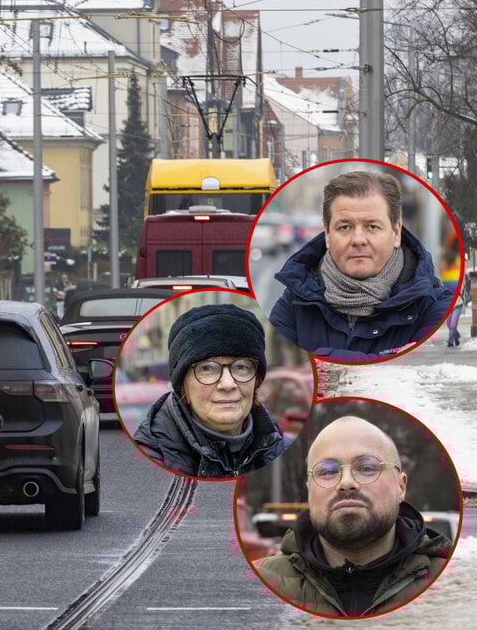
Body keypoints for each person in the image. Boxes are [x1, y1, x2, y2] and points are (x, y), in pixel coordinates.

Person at [254, 416, 452, 617]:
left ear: (400, 486)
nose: (346, 482)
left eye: (367, 468)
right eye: (327, 471)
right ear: (309, 489)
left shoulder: (455, 583)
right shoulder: (254, 584)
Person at [269, 171, 453, 358]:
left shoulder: (435, 306)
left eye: (372, 226)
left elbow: (421, 373)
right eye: (345, 227)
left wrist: (322, 359)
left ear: (396, 233)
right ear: (327, 234)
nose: (358, 239)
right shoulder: (294, 305)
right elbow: (281, 370)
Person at [132, 304, 290, 477]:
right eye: (207, 368)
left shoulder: (284, 451)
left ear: (257, 380)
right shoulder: (147, 459)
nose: (228, 384)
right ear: (182, 384)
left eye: (241, 367)